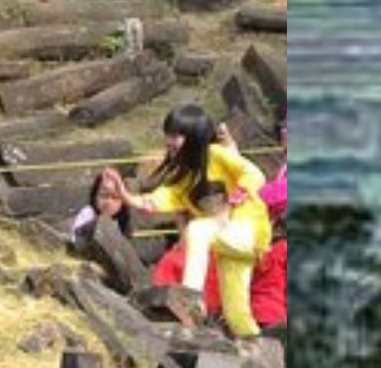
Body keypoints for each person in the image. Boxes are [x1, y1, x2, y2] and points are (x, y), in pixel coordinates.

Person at [97, 105, 273, 339]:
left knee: (197, 229)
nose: (169, 141)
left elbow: (255, 175)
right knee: (236, 314)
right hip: (228, 248)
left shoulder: (216, 154)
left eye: (176, 135)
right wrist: (124, 194)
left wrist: (230, 206)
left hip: (248, 233)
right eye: (168, 134)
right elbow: (155, 201)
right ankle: (261, 356)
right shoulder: (183, 179)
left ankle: (191, 298)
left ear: (194, 137)